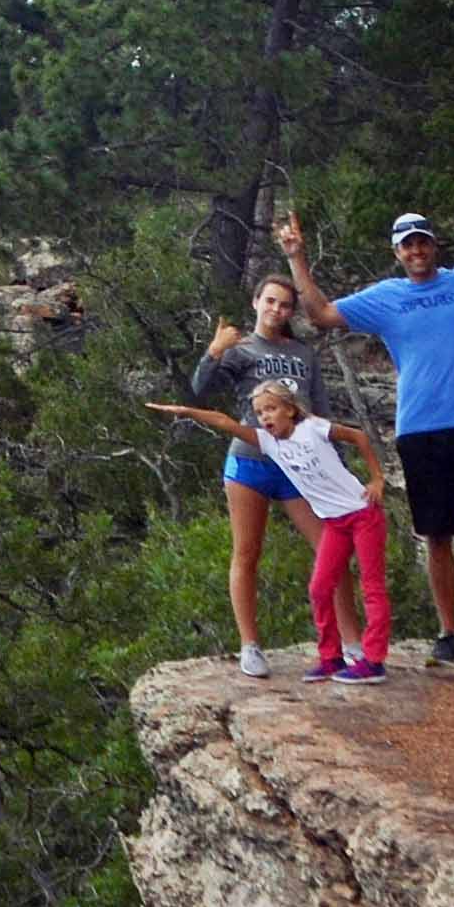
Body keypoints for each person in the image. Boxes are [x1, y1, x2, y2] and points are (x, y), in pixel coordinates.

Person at [282, 183, 454, 674]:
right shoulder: (386, 297)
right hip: (418, 429)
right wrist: (297, 259)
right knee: (436, 536)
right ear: (397, 252)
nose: (416, 251)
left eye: (422, 241)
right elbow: (321, 315)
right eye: (407, 244)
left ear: (434, 245)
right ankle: (449, 634)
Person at [147, 380, 393, 682]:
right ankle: (331, 656)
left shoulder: (313, 428)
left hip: (362, 514)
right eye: (260, 412)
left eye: (271, 409)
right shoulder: (268, 443)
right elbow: (224, 422)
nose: (265, 417)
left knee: (372, 587)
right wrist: (186, 411)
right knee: (319, 588)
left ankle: (374, 660)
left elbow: (357, 436)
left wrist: (377, 478)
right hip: (334, 523)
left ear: (290, 409)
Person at [186, 276, 334, 677]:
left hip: (297, 464)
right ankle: (250, 646)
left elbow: (319, 410)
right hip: (250, 460)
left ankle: (346, 644)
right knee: (247, 553)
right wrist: (214, 351)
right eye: (270, 302)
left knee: (330, 550)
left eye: (285, 305)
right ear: (256, 303)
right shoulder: (241, 350)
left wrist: (329, 463)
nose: (276, 310)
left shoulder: (303, 353)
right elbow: (200, 388)